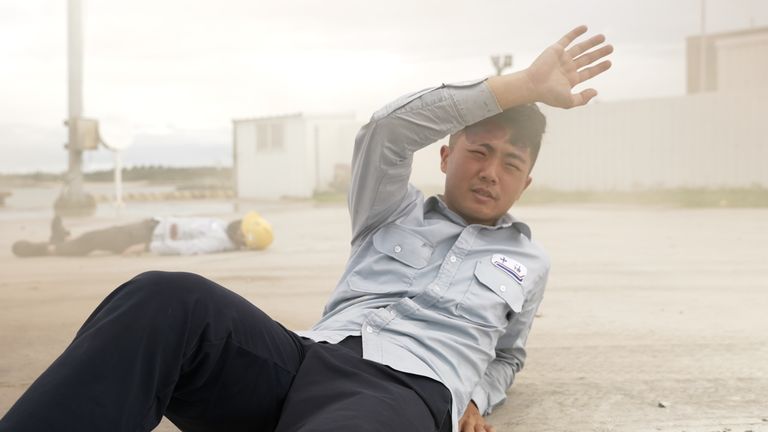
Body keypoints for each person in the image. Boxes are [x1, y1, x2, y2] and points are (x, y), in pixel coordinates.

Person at [0, 26, 612, 432]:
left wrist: (476, 396)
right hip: (302, 360)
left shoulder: (530, 264)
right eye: (480, 151)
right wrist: (522, 87)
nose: (490, 172)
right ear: (448, 156)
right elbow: (386, 130)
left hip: (406, 394)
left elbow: (508, 355)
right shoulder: (390, 210)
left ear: (525, 183)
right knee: (165, 297)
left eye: (511, 163)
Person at [11, 211, 274, 257]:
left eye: (244, 226)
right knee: (96, 237)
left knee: (93, 241)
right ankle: (63, 240)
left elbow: (187, 248)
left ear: (243, 237)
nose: (239, 223)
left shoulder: (219, 240)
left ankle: (48, 248)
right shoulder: (222, 229)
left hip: (144, 236)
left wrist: (147, 247)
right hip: (149, 227)